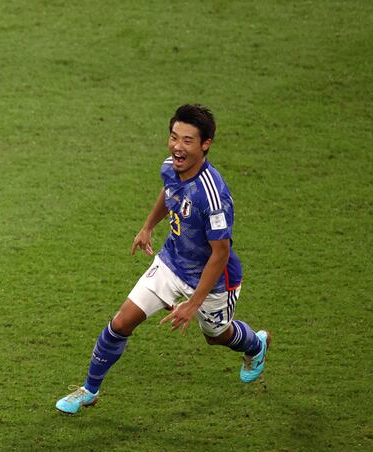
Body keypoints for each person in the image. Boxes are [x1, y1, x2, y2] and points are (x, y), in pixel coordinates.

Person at [55, 104, 271, 415]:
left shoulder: (213, 196)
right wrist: (147, 226)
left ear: (205, 144)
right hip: (172, 261)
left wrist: (192, 304)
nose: (177, 147)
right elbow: (169, 192)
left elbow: (220, 254)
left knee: (216, 336)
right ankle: (89, 390)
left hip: (213, 281)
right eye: (173, 137)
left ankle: (255, 345)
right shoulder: (170, 166)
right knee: (121, 322)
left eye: (187, 140)